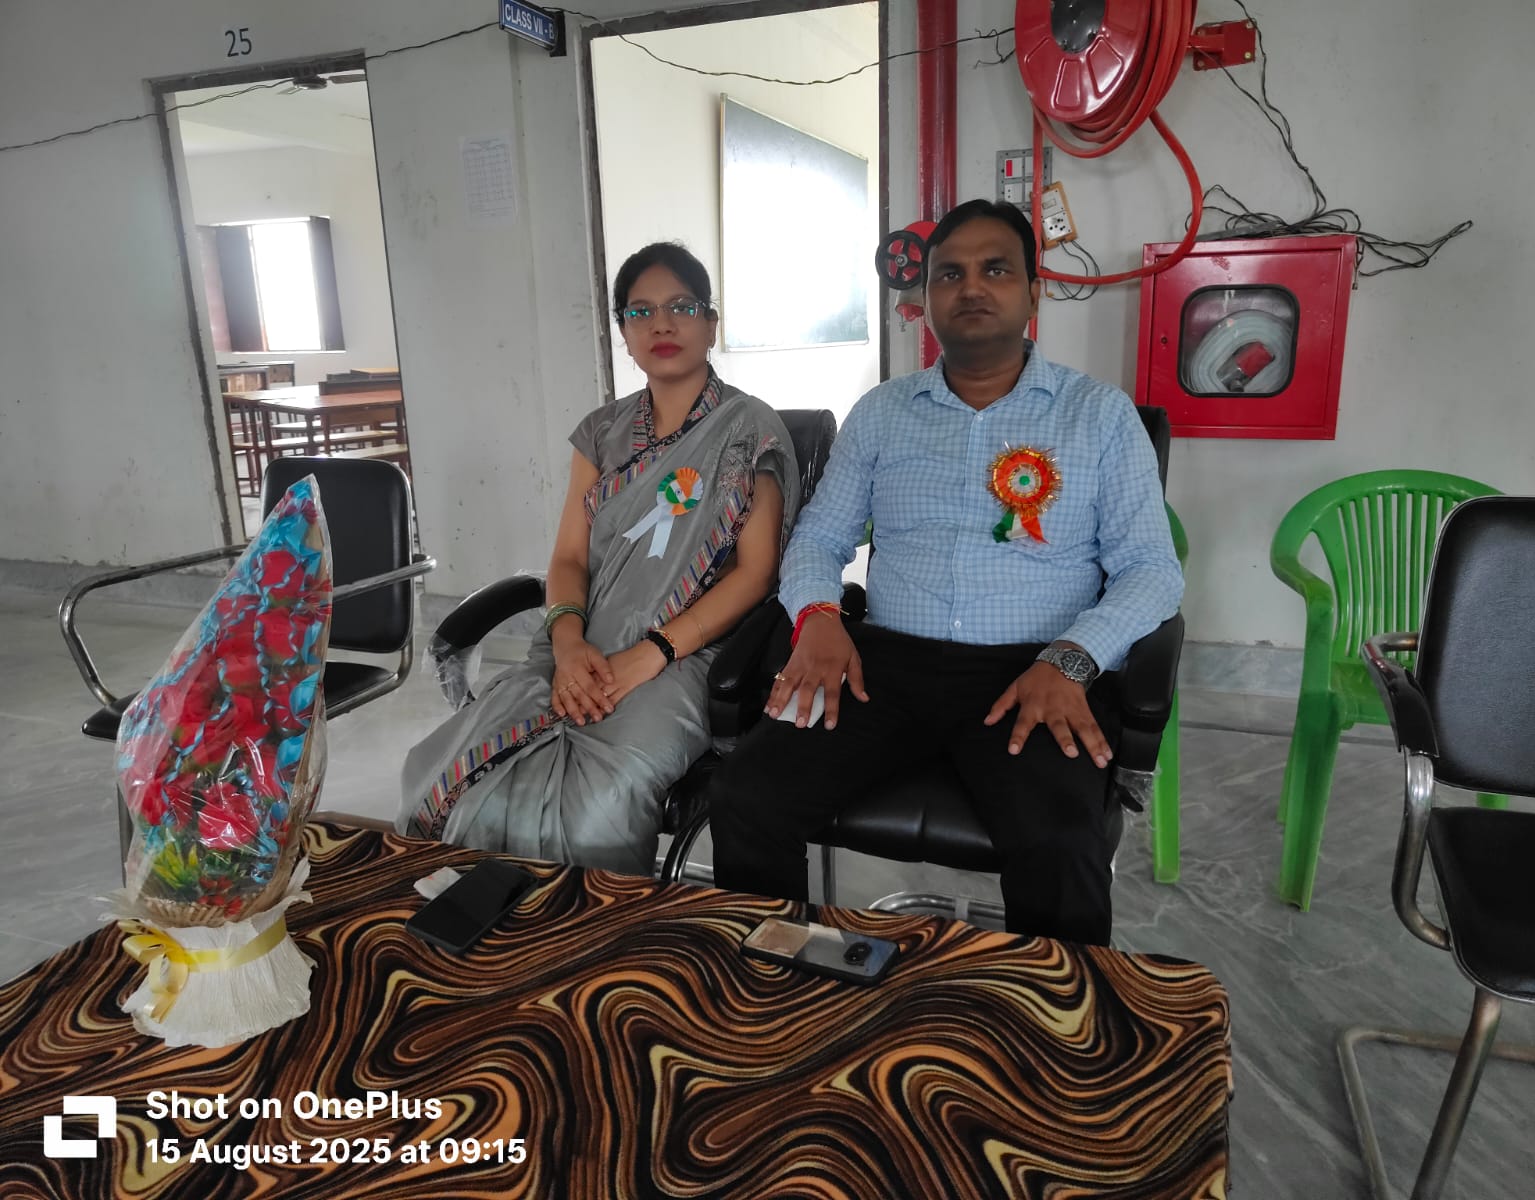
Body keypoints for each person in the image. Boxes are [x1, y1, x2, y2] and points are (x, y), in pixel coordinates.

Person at [708, 200, 1182, 945]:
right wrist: (818, 618)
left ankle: (1047, 1010)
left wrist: (1072, 659)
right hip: (883, 665)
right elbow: (819, 538)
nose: (972, 288)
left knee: (1060, 843)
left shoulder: (1099, 417)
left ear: (1034, 291)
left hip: (1031, 671)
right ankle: (778, 985)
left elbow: (1151, 570)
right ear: (925, 298)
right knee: (747, 795)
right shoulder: (882, 413)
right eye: (949, 274)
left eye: (996, 269)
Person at [401, 242, 799, 875]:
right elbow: (567, 558)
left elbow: (756, 575)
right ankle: (488, 921)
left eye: (681, 307)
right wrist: (567, 645)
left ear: (711, 323)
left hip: (686, 654)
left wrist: (652, 653)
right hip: (580, 643)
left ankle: (591, 925)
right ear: (624, 331)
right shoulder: (600, 432)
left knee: (598, 802)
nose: (661, 324)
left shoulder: (748, 429)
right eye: (640, 312)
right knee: (447, 774)